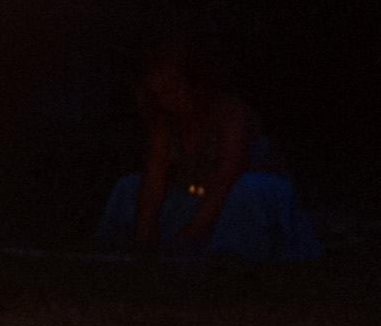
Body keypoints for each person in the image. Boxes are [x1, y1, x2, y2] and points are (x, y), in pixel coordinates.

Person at [96, 40, 323, 262]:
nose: (168, 100)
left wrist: (182, 240)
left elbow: (226, 179)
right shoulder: (166, 121)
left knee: (245, 189)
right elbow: (154, 181)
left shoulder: (228, 113)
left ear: (194, 81)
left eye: (173, 89)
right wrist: (143, 240)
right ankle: (119, 249)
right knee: (130, 186)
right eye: (160, 94)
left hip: (250, 199)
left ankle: (230, 255)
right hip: (205, 200)